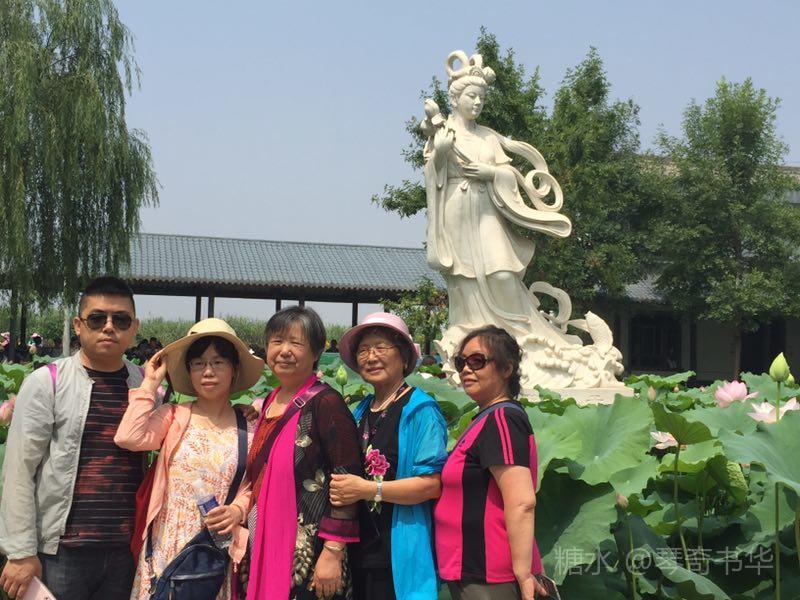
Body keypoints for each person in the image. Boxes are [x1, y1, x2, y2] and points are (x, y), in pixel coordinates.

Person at [0, 276, 145, 600]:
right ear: (79, 325)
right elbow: (19, 469)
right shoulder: (46, 382)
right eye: (97, 319)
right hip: (61, 553)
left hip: (125, 551)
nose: (109, 327)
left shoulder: (145, 385)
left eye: (121, 320)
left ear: (134, 328)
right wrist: (20, 551)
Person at [115, 318, 265, 600]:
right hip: (166, 544)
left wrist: (237, 510)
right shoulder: (173, 415)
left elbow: (253, 485)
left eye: (218, 362)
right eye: (198, 363)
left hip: (213, 551)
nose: (208, 371)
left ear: (234, 370)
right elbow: (129, 437)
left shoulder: (249, 427)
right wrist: (150, 384)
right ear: (189, 371)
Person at [245, 307, 361, 600]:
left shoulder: (326, 403)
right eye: (276, 341)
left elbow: (347, 478)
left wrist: (333, 551)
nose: (284, 351)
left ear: (317, 351)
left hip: (310, 551)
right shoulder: (269, 400)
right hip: (265, 536)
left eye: (296, 343)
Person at [329, 313, 447, 600]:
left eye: (381, 347)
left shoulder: (421, 410)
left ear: (404, 357)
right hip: (359, 550)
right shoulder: (360, 410)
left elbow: (431, 485)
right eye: (363, 350)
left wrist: (369, 489)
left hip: (397, 553)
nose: (371, 357)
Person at [434, 325, 547, 600]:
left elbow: (521, 501)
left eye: (477, 361)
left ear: (507, 369)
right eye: (461, 362)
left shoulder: (503, 419)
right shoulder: (485, 418)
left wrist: (523, 572)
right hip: (471, 570)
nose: (466, 369)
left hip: (492, 573)